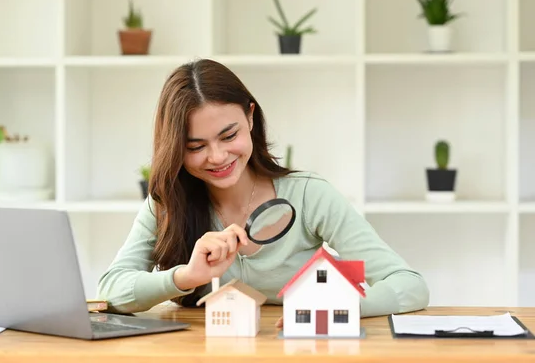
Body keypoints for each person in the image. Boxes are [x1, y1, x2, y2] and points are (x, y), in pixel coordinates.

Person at [97, 58, 430, 324]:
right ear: (175, 148)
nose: (217, 157)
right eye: (196, 146)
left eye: (229, 136)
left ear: (251, 117)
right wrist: (186, 276)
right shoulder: (168, 203)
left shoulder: (308, 195)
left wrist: (337, 304)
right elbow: (112, 291)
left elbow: (409, 285)